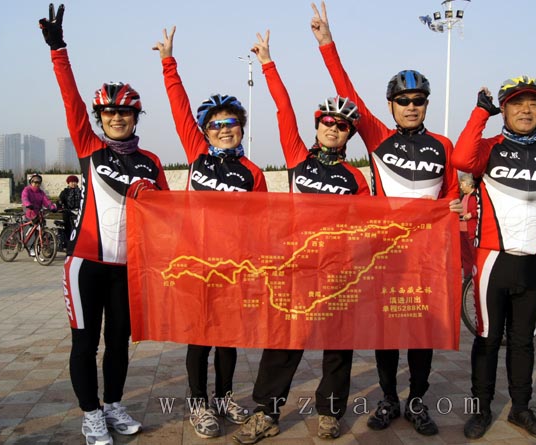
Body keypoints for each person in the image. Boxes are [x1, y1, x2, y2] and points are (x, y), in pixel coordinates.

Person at [311, 2, 461, 437]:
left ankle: (417, 401)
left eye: (418, 101)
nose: (411, 107)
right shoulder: (377, 137)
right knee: (386, 332)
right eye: (403, 101)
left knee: (422, 333)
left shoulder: (443, 145)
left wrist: (454, 207)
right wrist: (327, 43)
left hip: (428, 257)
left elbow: (452, 194)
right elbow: (348, 92)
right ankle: (389, 399)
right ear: (391, 105)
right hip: (385, 255)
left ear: (426, 104)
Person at [39, 5, 170, 445]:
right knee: (85, 344)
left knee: (118, 344)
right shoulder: (90, 148)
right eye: (109, 113)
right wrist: (59, 49)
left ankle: (113, 405)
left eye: (125, 113)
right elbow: (70, 100)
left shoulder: (151, 162)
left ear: (136, 117)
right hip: (85, 264)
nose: (116, 118)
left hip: (129, 269)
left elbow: (168, 217)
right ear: (99, 118)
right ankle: (90, 414)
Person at [231, 30, 369, 445]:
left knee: (338, 348)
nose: (334, 128)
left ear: (349, 134)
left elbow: (369, 226)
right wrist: (268, 63)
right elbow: (283, 109)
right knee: (283, 344)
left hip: (336, 273)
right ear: (318, 124)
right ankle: (266, 413)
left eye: (342, 125)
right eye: (328, 121)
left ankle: (329, 414)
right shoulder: (297, 158)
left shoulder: (356, 178)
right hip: (295, 269)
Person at [153, 26, 265, 439]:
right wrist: (169, 62)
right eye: (215, 125)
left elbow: (263, 224)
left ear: (241, 127)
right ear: (205, 131)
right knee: (199, 338)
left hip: (233, 267)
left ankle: (223, 397)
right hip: (196, 263)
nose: (224, 129)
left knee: (228, 338)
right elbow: (179, 109)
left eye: (231, 122)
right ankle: (199, 403)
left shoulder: (253, 173)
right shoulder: (197, 155)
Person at [452, 76, 536, 441]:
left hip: (534, 265)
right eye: (517, 103)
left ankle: (521, 410)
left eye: (533, 103)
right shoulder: (489, 148)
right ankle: (481, 410)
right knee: (487, 339)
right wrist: (479, 114)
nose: (526, 110)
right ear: (504, 109)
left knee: (524, 342)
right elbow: (460, 158)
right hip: (493, 262)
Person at [21, 173, 57, 256]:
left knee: (41, 227)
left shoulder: (41, 193)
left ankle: (40, 246)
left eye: (39, 182)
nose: (37, 184)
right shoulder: (27, 190)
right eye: (35, 182)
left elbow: (46, 201)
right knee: (32, 228)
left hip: (38, 212)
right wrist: (28, 204)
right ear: (31, 182)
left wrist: (52, 207)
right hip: (29, 211)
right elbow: (24, 198)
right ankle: (30, 247)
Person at [459, 174, 478, 282]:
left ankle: (476, 276)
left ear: (469, 184)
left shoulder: (476, 195)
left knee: (474, 254)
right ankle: (467, 276)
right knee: (465, 255)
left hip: (471, 230)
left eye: (462, 184)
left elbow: (481, 209)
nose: (461, 187)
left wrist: (472, 214)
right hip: (461, 229)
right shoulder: (463, 196)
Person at [58, 175, 82, 248]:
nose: (73, 183)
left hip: (79, 212)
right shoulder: (64, 192)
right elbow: (60, 201)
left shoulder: (81, 192)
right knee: (68, 227)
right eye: (71, 182)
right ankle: (68, 243)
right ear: (68, 183)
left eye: (75, 182)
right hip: (68, 212)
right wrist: (59, 205)